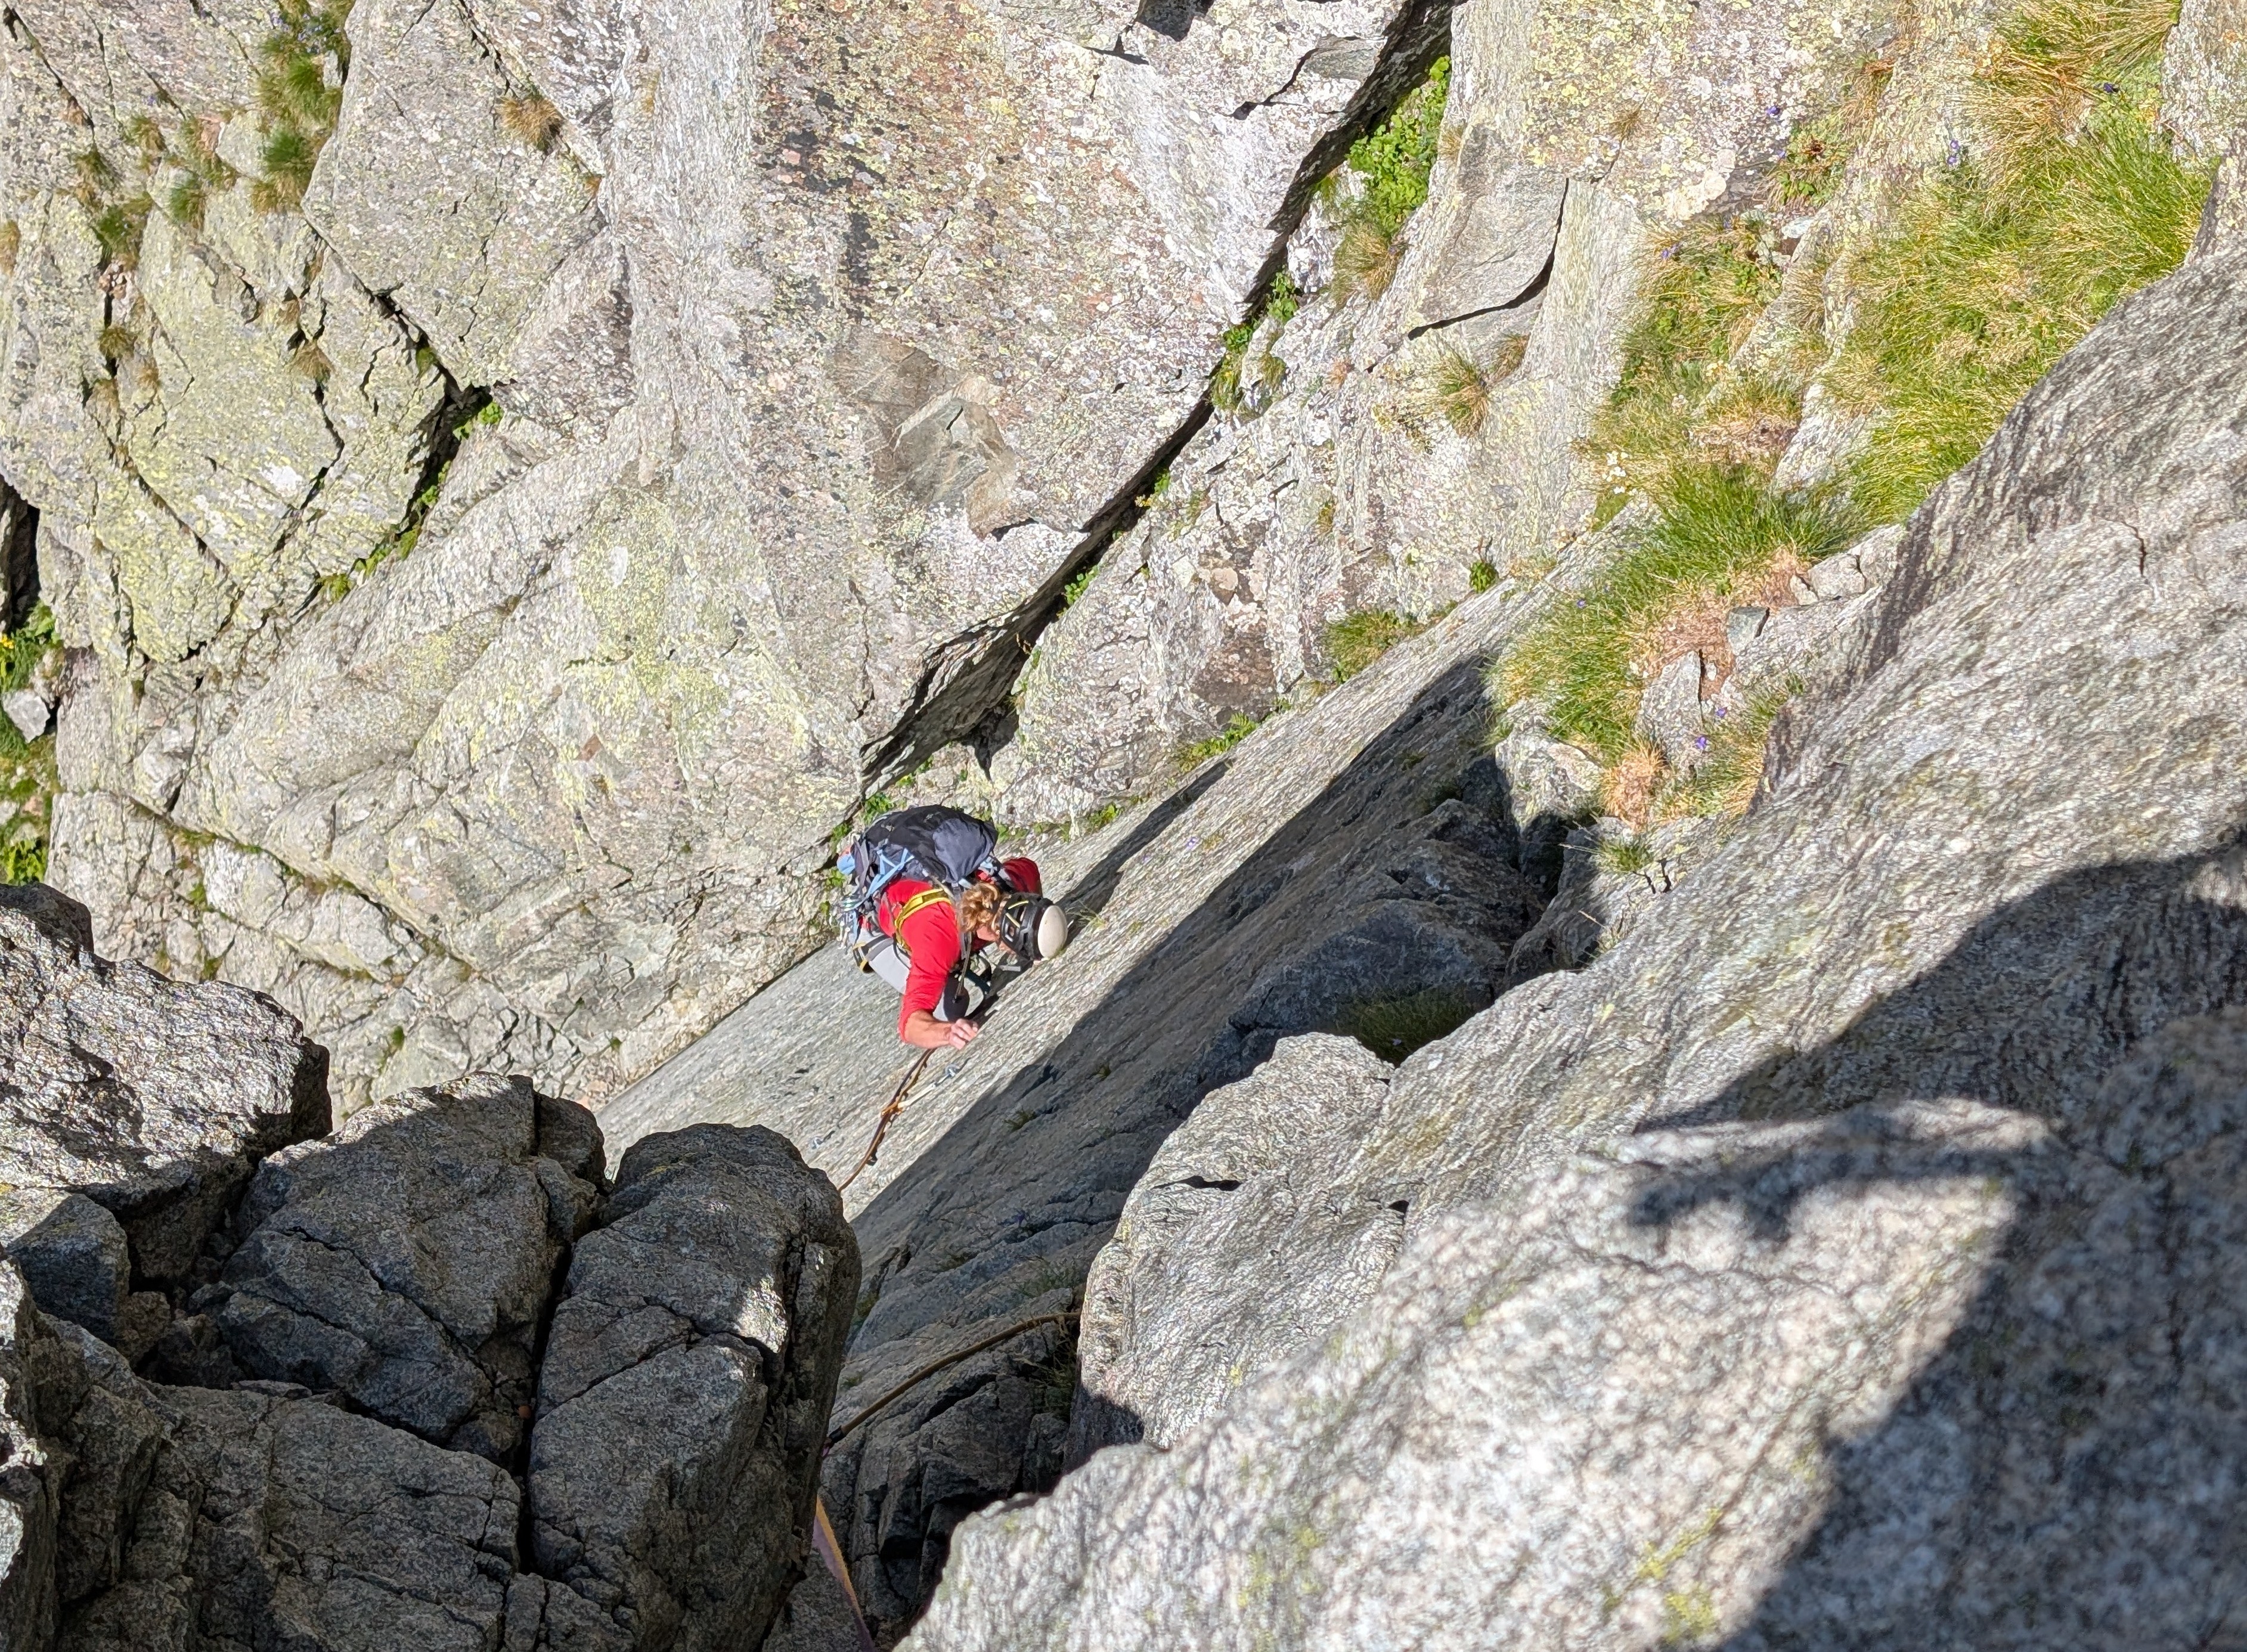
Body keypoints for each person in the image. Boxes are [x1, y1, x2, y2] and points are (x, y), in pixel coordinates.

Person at [861, 843, 1069, 1049]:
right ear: (1002, 935)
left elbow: (1029, 866)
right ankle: (907, 973)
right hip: (876, 925)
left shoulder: (1012, 882)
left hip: (920, 893)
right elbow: (910, 1025)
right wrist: (948, 1032)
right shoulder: (939, 938)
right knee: (951, 1011)